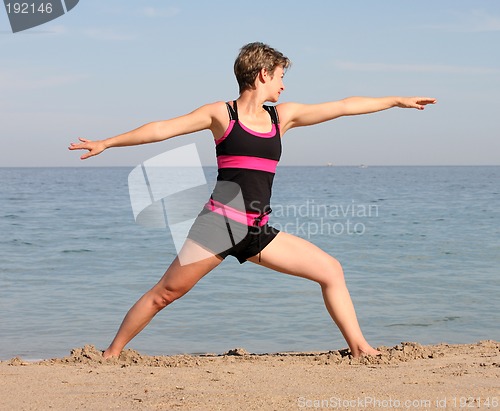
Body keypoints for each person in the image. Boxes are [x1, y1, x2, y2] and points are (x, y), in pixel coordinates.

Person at [69, 42, 436, 359]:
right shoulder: (220, 114)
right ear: (262, 74)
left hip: (257, 229)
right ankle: (111, 353)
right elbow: (161, 128)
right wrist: (107, 142)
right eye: (279, 75)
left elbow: (342, 106)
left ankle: (359, 348)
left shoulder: (283, 117)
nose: (283, 83)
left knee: (331, 271)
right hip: (220, 225)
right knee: (165, 294)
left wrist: (395, 101)